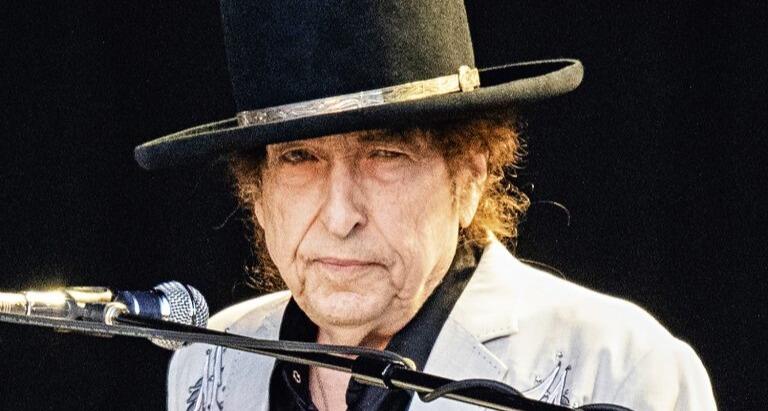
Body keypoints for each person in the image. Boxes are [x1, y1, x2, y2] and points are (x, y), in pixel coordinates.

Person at [133, 1, 717, 410]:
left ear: (469, 177)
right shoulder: (209, 361)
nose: (339, 216)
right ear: (257, 195)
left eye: (385, 155)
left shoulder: (617, 367)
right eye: (300, 159)